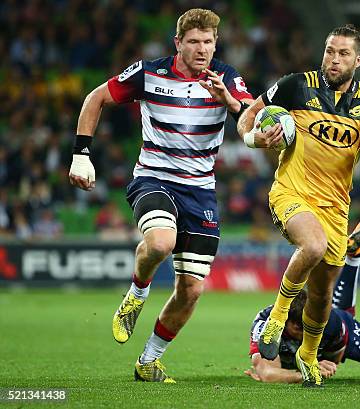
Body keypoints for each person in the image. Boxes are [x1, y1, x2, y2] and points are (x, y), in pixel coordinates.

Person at [68, 8, 253, 383]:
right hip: (154, 179)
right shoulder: (149, 72)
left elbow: (253, 122)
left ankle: (148, 360)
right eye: (194, 42)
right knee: (160, 243)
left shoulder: (228, 78)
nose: (202, 49)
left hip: (200, 192)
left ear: (216, 43)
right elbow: (95, 98)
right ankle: (137, 293)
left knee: (192, 289)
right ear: (178, 43)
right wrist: (81, 153)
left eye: (208, 42)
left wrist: (230, 103)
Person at [236, 24, 360, 387]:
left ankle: (309, 354)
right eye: (330, 50)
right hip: (291, 192)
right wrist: (256, 140)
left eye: (343, 53)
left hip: (335, 208)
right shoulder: (295, 85)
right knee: (311, 245)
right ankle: (278, 318)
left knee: (323, 294)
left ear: (357, 61)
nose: (334, 59)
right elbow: (246, 117)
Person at [245, 210, 360, 383]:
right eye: (300, 328)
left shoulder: (328, 324)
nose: (306, 333)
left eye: (308, 327)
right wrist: (305, 372)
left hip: (344, 333)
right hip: (329, 325)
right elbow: (268, 373)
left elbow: (335, 359)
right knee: (339, 310)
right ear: (287, 323)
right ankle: (353, 256)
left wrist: (317, 363)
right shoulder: (265, 324)